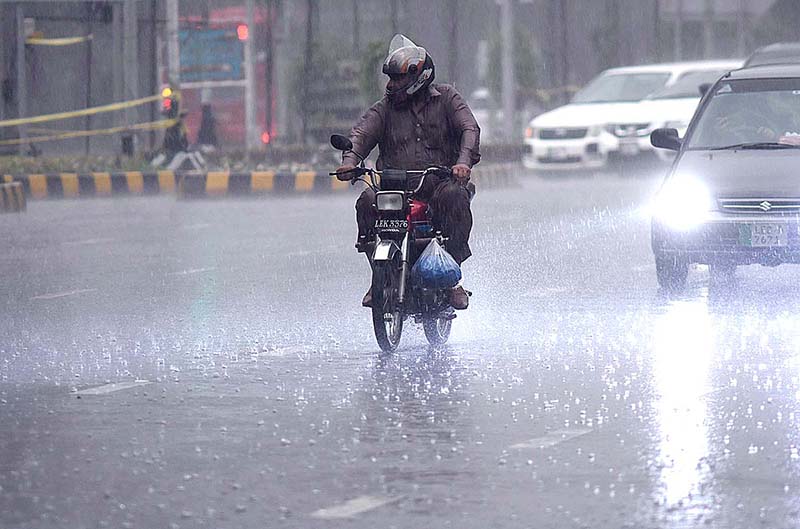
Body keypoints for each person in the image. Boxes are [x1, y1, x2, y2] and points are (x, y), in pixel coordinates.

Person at [335, 34, 480, 310]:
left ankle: (451, 279)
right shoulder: (384, 109)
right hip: (394, 187)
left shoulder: (447, 98)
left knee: (455, 198)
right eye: (390, 79)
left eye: (398, 79)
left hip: (439, 184)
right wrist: (350, 160)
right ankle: (379, 277)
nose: (391, 85)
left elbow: (469, 129)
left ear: (419, 77)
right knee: (367, 201)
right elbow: (361, 133)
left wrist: (462, 163)